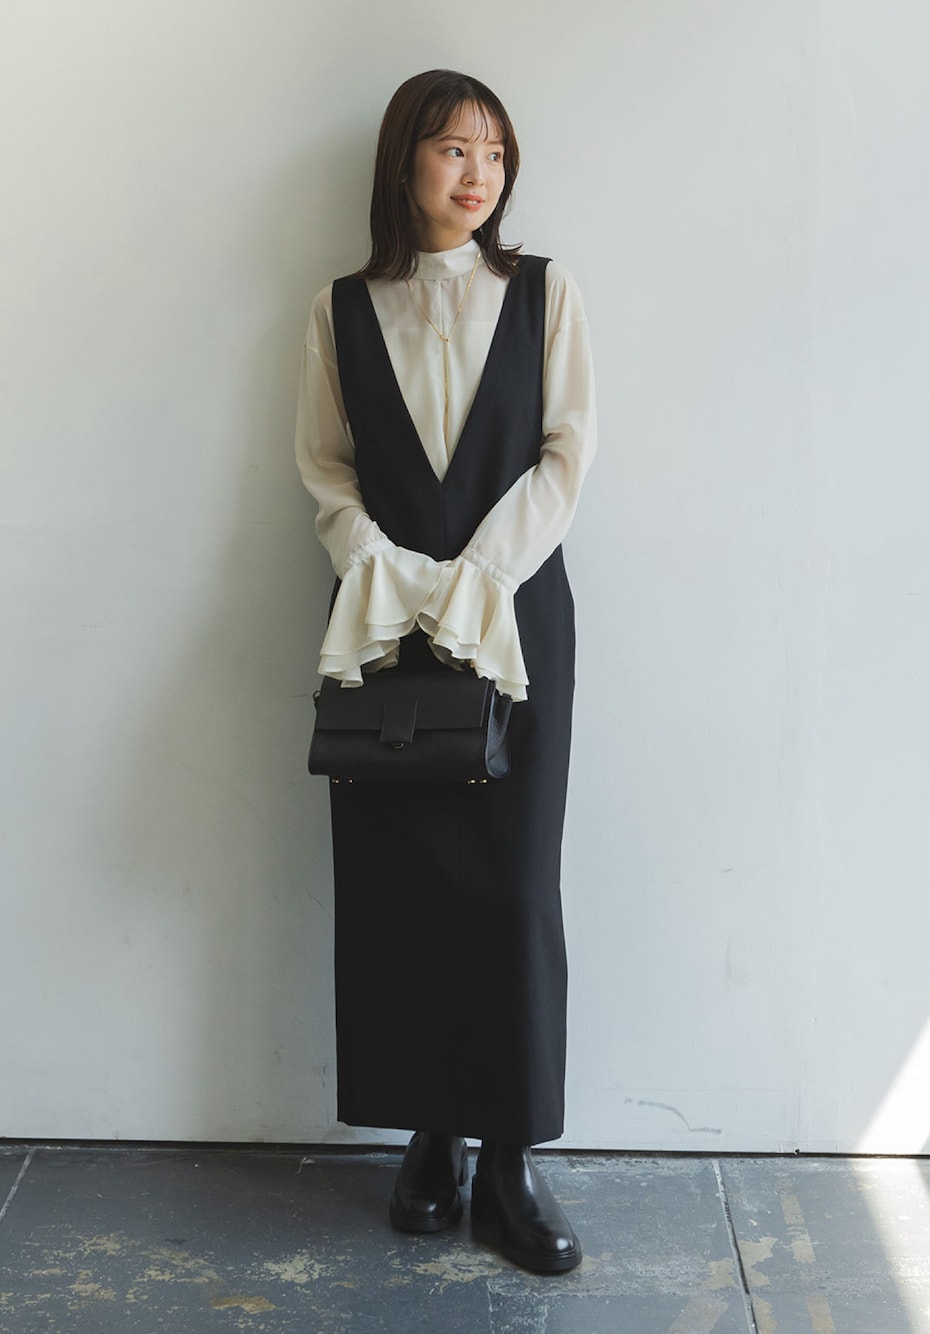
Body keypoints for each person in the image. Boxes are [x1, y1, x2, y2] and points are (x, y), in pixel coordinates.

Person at [294, 69, 596, 1275]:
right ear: (403, 162)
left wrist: (476, 574)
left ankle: (509, 1156)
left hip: (514, 621)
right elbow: (325, 466)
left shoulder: (543, 293)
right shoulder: (339, 308)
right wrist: (384, 570)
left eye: (494, 153)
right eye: (453, 149)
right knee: (399, 880)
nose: (478, 174)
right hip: (378, 623)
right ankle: (430, 1136)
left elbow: (567, 452)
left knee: (513, 886)